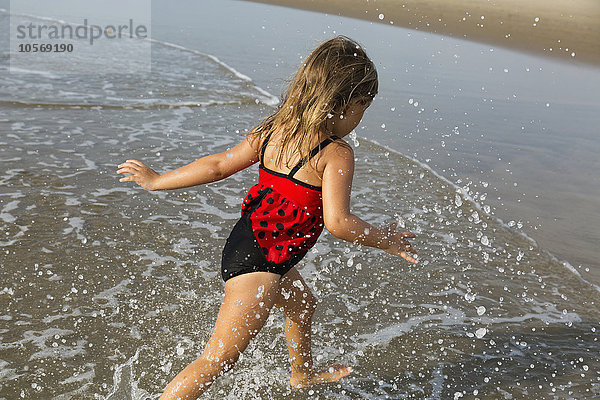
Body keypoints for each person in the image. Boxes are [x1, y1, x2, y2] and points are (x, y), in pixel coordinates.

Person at [117, 35, 417, 399]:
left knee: (302, 304)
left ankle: (301, 375)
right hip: (260, 263)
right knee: (217, 360)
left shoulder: (275, 129)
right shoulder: (335, 153)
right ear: (345, 103)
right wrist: (385, 240)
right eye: (362, 107)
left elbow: (218, 165)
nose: (359, 118)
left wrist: (158, 180)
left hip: (252, 244)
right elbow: (338, 222)